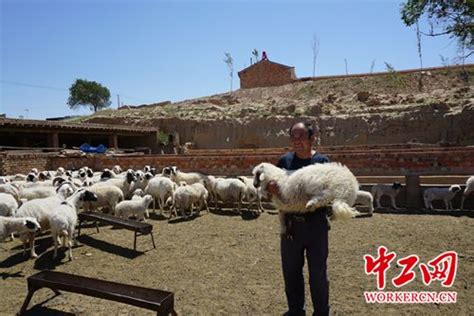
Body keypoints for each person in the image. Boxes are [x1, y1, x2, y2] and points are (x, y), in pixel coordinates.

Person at [267, 122, 330, 316]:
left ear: (312, 138)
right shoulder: (284, 162)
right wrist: (271, 190)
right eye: (293, 137)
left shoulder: (322, 162)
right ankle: (295, 310)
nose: (297, 141)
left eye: (301, 137)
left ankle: (321, 312)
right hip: (290, 227)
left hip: (316, 226)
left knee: (318, 274)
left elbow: (330, 191)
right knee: (291, 272)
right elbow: (271, 195)